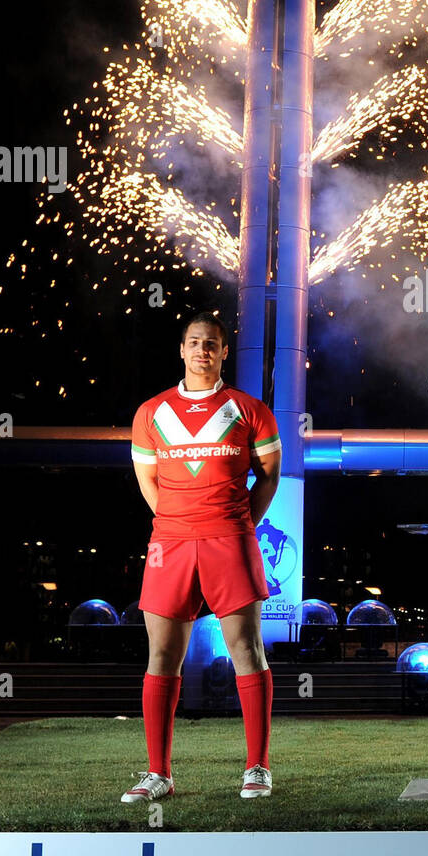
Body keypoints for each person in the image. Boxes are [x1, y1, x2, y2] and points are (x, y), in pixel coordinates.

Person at [121, 311, 282, 804]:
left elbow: (269, 476)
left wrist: (235, 523)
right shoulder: (151, 412)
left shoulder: (250, 410)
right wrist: (178, 521)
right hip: (169, 543)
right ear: (182, 350)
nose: (202, 351)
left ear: (224, 352)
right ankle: (159, 774)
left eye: (211, 343)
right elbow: (148, 481)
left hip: (230, 539)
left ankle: (257, 768)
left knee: (246, 649)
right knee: (161, 655)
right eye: (194, 342)